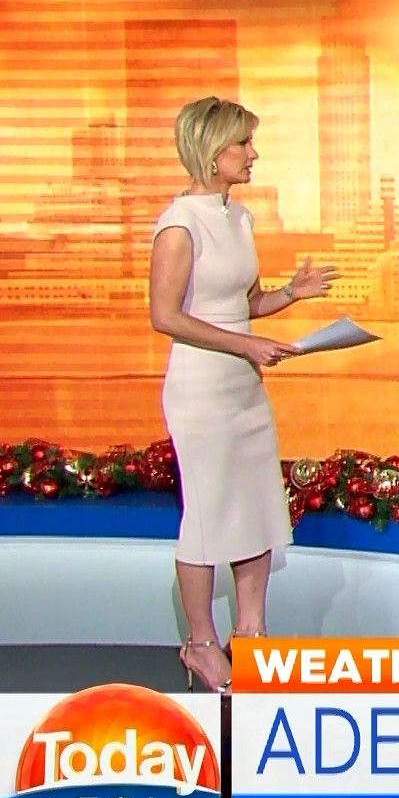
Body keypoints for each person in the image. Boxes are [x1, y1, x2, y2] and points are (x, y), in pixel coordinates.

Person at [148, 97, 338, 691]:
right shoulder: (179, 225)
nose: (253, 154)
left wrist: (292, 293)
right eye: (243, 144)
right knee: (208, 515)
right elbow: (165, 316)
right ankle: (201, 644)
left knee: (255, 507)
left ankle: (252, 633)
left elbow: (245, 304)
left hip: (242, 387)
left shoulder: (239, 218)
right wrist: (244, 345)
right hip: (201, 390)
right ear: (212, 152)